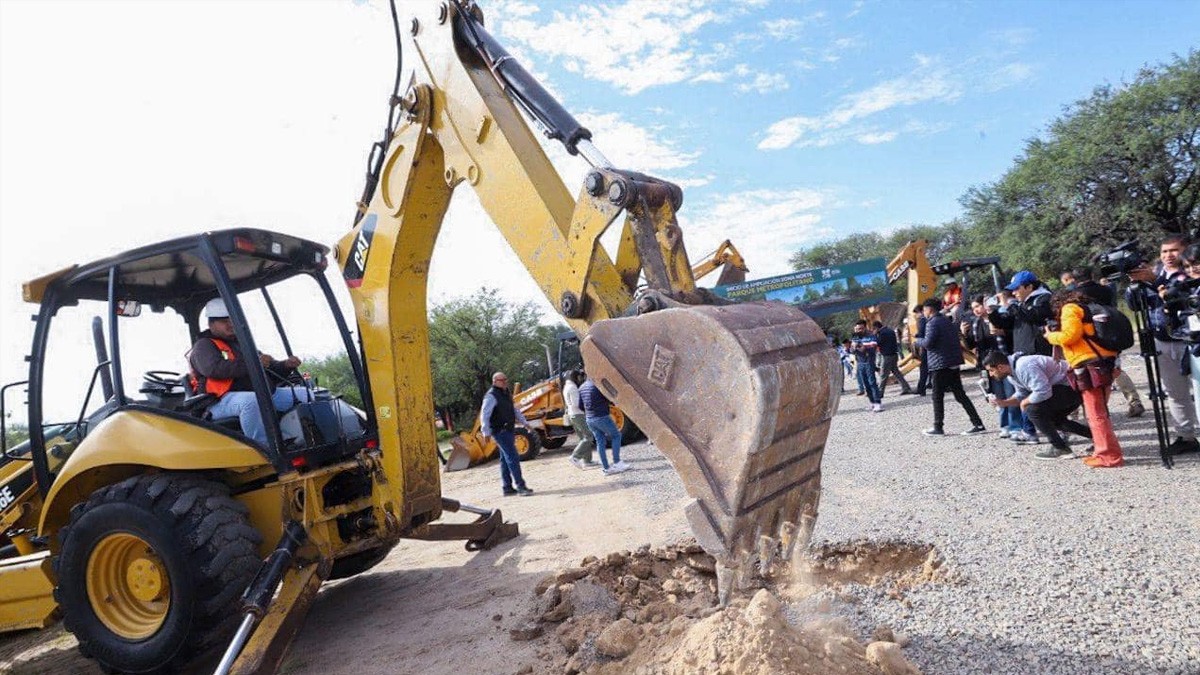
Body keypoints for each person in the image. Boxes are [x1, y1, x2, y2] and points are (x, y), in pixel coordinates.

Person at [188, 298, 312, 446]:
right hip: (220, 400)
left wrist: (286, 365)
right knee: (250, 402)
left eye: (232, 319)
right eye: (224, 321)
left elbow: (270, 368)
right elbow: (214, 369)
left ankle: (306, 437)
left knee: (305, 394)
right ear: (211, 324)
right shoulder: (204, 346)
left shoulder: (242, 343)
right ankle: (267, 447)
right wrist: (253, 363)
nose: (230, 324)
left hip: (262, 393)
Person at [1128, 235, 1199, 454]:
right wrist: (1135, 286)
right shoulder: (1155, 272)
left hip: (1188, 339)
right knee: (1174, 391)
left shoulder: (1188, 274)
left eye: (1173, 250)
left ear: (1185, 250)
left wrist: (1154, 281)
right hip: (1162, 337)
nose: (1168, 256)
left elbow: (1179, 295)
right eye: (1164, 251)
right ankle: (1186, 435)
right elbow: (1135, 306)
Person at [1044, 290, 1125, 467]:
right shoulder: (1087, 309)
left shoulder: (1070, 309)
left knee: (1095, 413)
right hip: (1103, 362)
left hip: (1089, 364)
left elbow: (1070, 336)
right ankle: (1105, 450)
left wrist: (1050, 336)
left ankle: (1108, 455)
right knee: (1100, 411)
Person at [1061, 266, 1144, 418]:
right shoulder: (1106, 290)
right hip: (1110, 330)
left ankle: (1085, 411)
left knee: (1086, 376)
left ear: (1072, 279)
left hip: (1088, 338)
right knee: (1115, 368)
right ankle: (1133, 400)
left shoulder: (1075, 295)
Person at [981, 350, 1092, 459]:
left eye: (991, 370)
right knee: (1053, 420)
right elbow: (1022, 394)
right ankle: (1099, 438)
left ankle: (1060, 448)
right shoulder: (1011, 374)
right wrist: (1004, 403)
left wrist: (1025, 402)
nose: (991, 375)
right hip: (1063, 389)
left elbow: (1043, 391)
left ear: (1000, 367)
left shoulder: (1024, 366)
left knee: (1033, 410)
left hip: (1073, 387)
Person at [987, 270, 1054, 445]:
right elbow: (1005, 322)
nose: (1014, 293)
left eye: (1017, 289)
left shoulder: (1043, 299)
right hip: (1021, 354)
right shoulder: (1021, 304)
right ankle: (1029, 430)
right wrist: (993, 313)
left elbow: (1036, 316)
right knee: (1025, 393)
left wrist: (1013, 306)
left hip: (1038, 353)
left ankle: (1054, 429)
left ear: (1029, 286)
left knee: (1042, 393)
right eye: (1012, 290)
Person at [916, 298, 986, 436]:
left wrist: (917, 341)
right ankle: (977, 423)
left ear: (929, 309)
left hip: (940, 364)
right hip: (952, 362)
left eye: (924, 309)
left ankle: (938, 427)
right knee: (960, 395)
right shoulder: (946, 321)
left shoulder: (932, 323)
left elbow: (928, 343)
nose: (924, 312)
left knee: (937, 396)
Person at [479, 372, 535, 495]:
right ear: (494, 381)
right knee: (513, 457)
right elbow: (485, 415)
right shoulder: (491, 396)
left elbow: (514, 410)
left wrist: (525, 423)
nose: (505, 382)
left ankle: (507, 488)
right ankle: (521, 487)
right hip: (500, 431)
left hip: (508, 430)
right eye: (501, 380)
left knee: (505, 459)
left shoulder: (506, 394)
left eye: (506, 379)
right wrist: (485, 432)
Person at [579, 377, 631, 475]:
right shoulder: (597, 386)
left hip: (589, 419)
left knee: (600, 442)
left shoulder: (581, 387)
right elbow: (609, 398)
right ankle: (617, 462)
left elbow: (580, 406)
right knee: (616, 436)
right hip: (601, 417)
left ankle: (606, 468)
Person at [562, 370, 596, 469]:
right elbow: (577, 404)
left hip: (572, 415)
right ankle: (575, 457)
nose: (580, 379)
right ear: (575, 377)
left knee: (583, 438)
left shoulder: (566, 387)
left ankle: (587, 461)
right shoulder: (573, 388)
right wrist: (587, 408)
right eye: (579, 377)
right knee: (589, 437)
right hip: (578, 414)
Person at [874, 320, 913, 396]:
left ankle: (880, 392)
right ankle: (906, 388)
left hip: (887, 356)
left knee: (883, 374)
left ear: (876, 327)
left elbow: (878, 343)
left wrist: (875, 335)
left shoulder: (882, 333)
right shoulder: (890, 330)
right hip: (894, 354)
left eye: (874, 329)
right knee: (896, 373)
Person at [851, 320, 883, 412]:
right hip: (860, 362)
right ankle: (872, 402)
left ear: (865, 327)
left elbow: (872, 349)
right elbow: (852, 351)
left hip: (869, 362)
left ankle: (877, 403)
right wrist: (854, 347)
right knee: (866, 384)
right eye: (857, 329)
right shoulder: (855, 337)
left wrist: (861, 347)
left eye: (861, 328)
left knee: (872, 382)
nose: (859, 330)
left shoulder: (871, 336)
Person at [912, 305, 930, 396]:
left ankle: (921, 388)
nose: (916, 316)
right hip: (931, 346)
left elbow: (922, 333)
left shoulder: (922, 320)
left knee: (923, 368)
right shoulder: (929, 319)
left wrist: (916, 336)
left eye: (916, 313)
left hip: (925, 347)